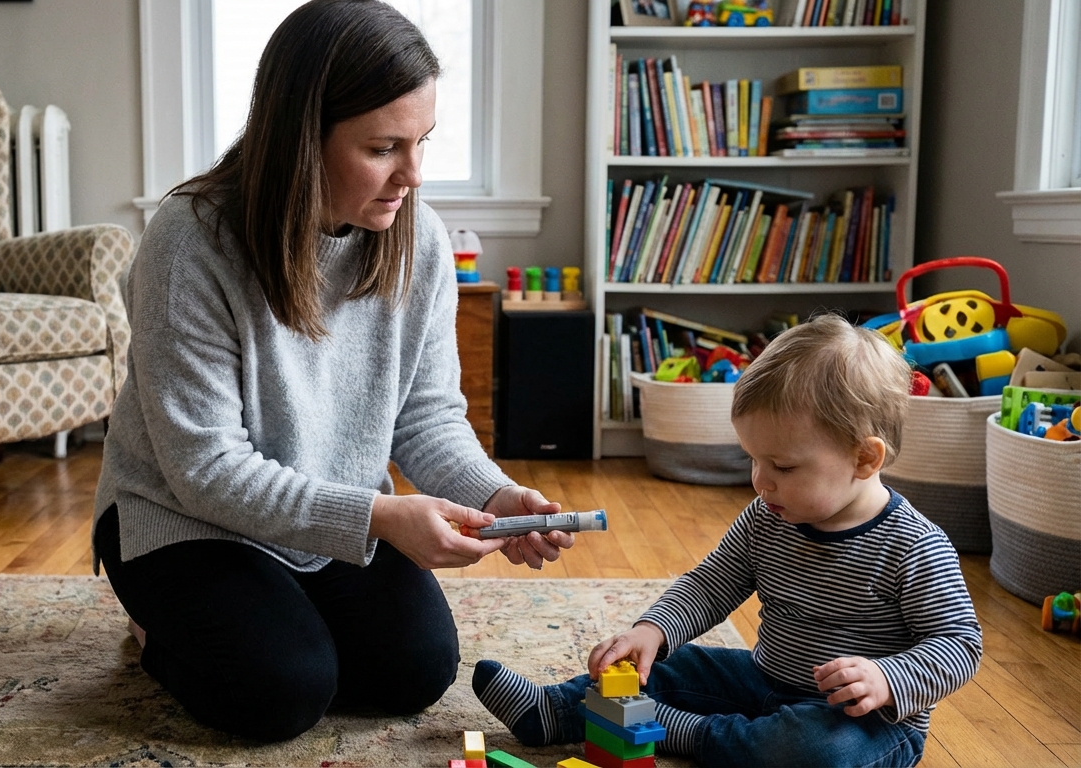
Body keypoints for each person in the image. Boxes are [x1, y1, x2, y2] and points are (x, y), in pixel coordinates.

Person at [93, 0, 574, 744]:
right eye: (384, 148)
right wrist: (380, 518)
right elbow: (204, 469)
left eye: (422, 142)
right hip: (184, 517)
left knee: (413, 671)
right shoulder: (188, 242)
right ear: (300, 138)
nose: (412, 175)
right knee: (280, 693)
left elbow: (426, 416)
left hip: (323, 514)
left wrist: (494, 492)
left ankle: (273, 610)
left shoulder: (421, 240)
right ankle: (158, 632)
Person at [472, 314, 983, 767]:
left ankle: (683, 734)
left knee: (808, 751)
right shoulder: (768, 515)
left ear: (865, 459)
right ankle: (557, 710)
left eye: (782, 466)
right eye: (753, 459)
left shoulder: (913, 545)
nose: (761, 480)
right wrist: (652, 630)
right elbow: (711, 584)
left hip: (864, 721)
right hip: (765, 679)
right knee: (669, 664)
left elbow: (960, 644)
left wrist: (888, 679)